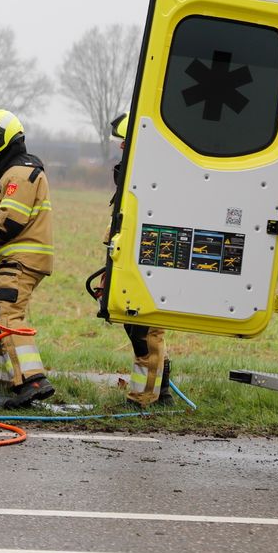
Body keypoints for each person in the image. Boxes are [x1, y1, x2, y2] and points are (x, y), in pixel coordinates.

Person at [0, 109, 55, 407]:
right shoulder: (14, 172)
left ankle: (32, 381)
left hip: (22, 259)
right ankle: (7, 378)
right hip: (18, 258)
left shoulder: (19, 174)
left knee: (9, 316)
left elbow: (9, 223)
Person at [107, 112, 171, 406]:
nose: (120, 147)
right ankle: (161, 393)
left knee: (146, 331)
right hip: (127, 259)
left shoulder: (153, 176)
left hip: (144, 262)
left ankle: (144, 398)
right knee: (138, 328)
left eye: (124, 142)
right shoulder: (136, 174)